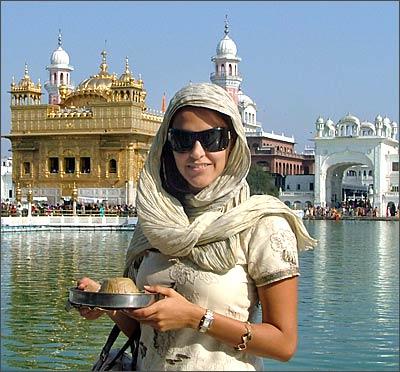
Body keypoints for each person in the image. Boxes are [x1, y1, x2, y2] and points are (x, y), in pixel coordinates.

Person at [77, 82, 317, 370]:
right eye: (182, 140)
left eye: (213, 139)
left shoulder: (261, 224)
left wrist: (196, 318)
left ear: (233, 144)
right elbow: (151, 337)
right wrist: (108, 304)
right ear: (167, 147)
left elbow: (283, 344)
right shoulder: (155, 221)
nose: (197, 152)